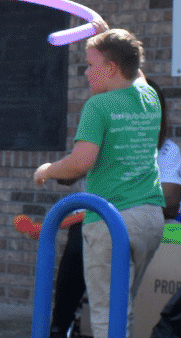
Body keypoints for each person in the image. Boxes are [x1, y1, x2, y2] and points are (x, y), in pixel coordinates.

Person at [33, 29, 168, 338]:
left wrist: (48, 170)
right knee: (123, 307)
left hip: (112, 220)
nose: (85, 71)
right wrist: (109, 35)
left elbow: (82, 161)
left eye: (90, 63)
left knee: (107, 314)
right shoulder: (150, 98)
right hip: (150, 219)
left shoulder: (98, 106)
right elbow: (136, 71)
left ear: (111, 68)